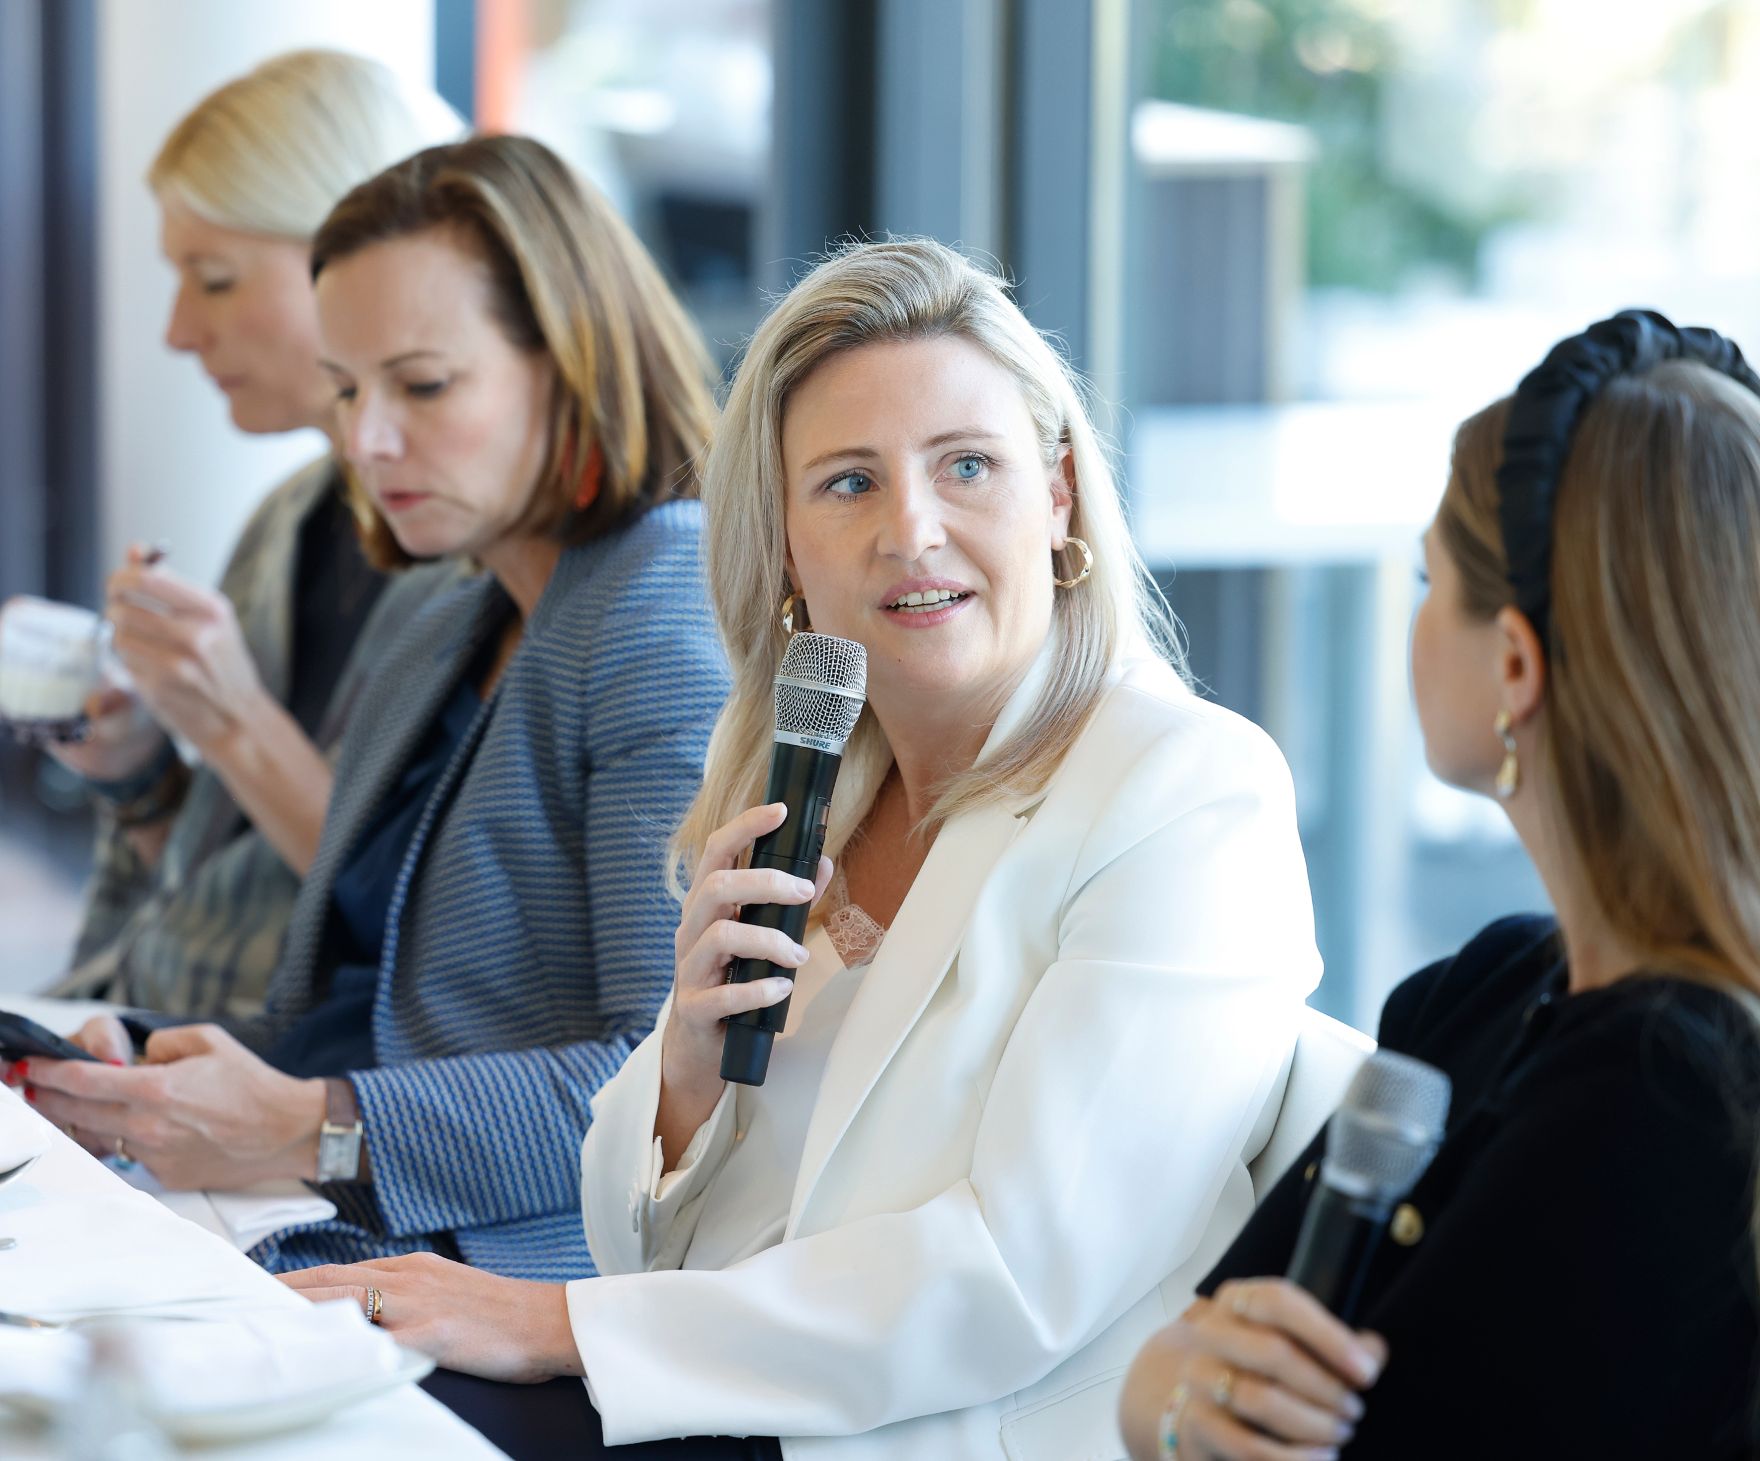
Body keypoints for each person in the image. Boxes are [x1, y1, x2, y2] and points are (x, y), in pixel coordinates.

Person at [276, 237, 1322, 1461]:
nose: (911, 530)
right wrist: (686, 1073)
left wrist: (561, 1322)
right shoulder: (811, 778)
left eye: (966, 467)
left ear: (1056, 500)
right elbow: (643, 1235)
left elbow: (1016, 1278)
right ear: (782, 548)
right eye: (846, 484)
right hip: (731, 1413)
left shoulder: (1185, 790)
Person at [14, 136, 728, 1283]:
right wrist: (156, 1073)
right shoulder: (448, 614)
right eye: (347, 390)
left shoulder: (659, 616)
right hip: (325, 1215)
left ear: (575, 362)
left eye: (424, 385)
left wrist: (310, 1121)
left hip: (509, 1281)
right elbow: (366, 1013)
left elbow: (673, 1082)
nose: (367, 440)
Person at [1118, 311, 1760, 1461]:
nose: (1410, 620)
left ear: (1512, 665)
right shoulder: (1485, 986)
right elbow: (1190, 1347)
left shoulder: (1658, 1106)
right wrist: (1165, 1395)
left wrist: (1169, 1400)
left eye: (1429, 578)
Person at [45, 50, 465, 1021]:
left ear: (355, 255)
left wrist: (233, 719)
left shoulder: (484, 569)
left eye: (217, 279)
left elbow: (422, 938)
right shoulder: (287, 522)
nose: (180, 330)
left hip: (271, 1092)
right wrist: (144, 772)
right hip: (146, 1030)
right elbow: (219, 888)